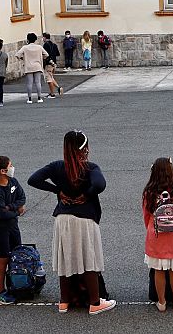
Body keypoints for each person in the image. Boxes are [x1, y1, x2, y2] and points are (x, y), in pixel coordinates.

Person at [27, 131, 116, 315]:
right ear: (85, 148)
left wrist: (57, 191)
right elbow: (100, 185)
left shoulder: (57, 166)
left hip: (63, 218)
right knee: (89, 260)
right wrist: (86, 195)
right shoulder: (90, 168)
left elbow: (33, 179)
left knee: (66, 259)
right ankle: (95, 302)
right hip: (84, 219)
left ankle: (64, 301)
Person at [142, 157, 173, 312]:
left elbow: (146, 215)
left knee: (159, 270)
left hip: (156, 235)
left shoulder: (149, 191)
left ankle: (161, 302)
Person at [0, 155, 25, 305]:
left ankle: (14, 284)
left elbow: (22, 198)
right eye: (10, 165)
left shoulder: (13, 181)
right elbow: (1, 215)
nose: (12, 167)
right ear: (3, 171)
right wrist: (17, 211)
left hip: (13, 224)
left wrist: (10, 207)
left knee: (16, 254)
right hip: (1, 227)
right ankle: (0, 292)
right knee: (4, 258)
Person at [15, 33, 48, 104]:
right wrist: (41, 58)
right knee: (38, 82)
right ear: (35, 39)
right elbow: (46, 55)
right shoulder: (39, 47)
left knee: (29, 83)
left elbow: (17, 55)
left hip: (28, 66)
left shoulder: (25, 47)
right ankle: (39, 98)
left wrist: (23, 58)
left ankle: (29, 99)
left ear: (28, 39)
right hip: (37, 65)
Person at [42, 33, 63, 99]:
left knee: (49, 79)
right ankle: (59, 88)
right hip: (54, 63)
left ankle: (52, 94)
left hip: (48, 64)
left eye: (43, 37)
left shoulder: (45, 45)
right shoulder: (54, 45)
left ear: (45, 38)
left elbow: (44, 55)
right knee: (51, 77)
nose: (43, 39)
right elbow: (57, 53)